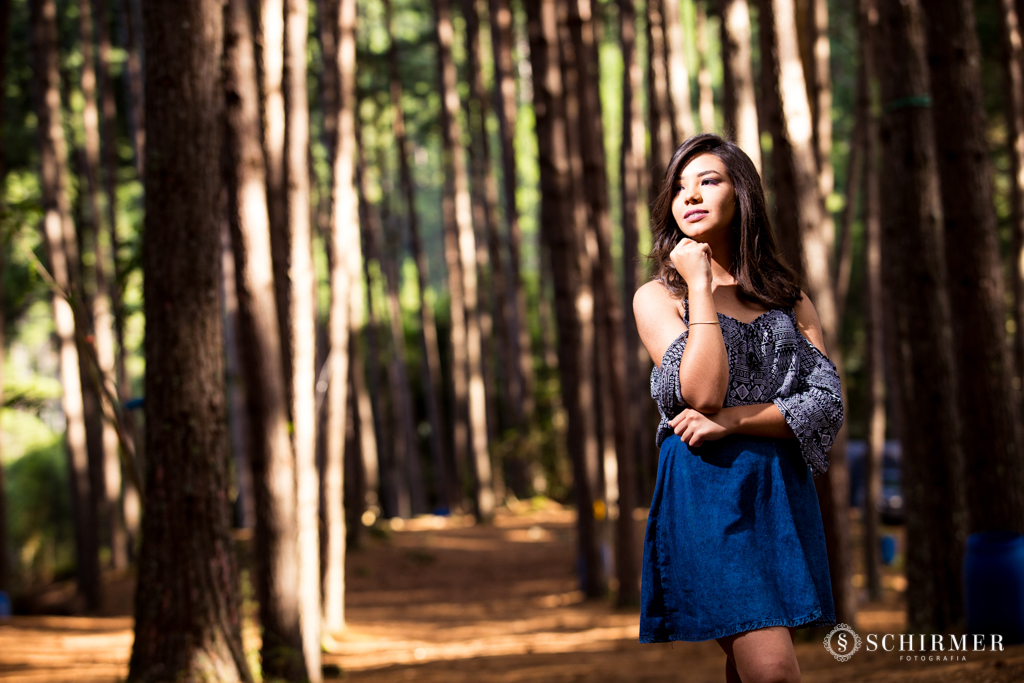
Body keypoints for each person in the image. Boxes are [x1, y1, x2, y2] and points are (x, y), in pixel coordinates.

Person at [632, 133, 843, 683]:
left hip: (779, 491)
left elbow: (825, 404)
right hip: (707, 491)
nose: (690, 196)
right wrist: (700, 287)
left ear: (741, 193)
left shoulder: (787, 297)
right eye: (679, 187)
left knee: (746, 663)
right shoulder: (658, 298)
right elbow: (700, 393)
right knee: (772, 670)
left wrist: (732, 420)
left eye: (709, 181)